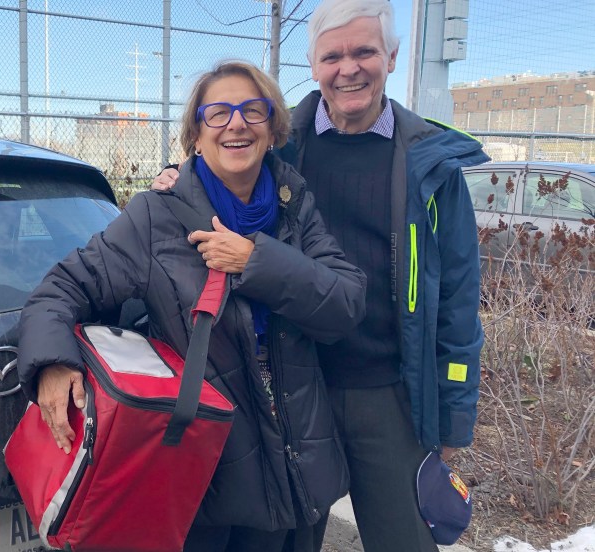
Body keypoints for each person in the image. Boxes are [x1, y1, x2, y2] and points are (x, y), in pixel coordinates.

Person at [153, 1, 489, 550]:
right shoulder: (282, 145)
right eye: (332, 56)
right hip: (290, 383)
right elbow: (214, 167)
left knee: (405, 540)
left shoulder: (428, 164)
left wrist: (454, 416)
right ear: (313, 65)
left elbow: (457, 297)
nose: (348, 68)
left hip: (386, 395)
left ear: (392, 56)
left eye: (364, 51)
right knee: (288, 541)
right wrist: (179, 177)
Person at [18, 61, 366, 552]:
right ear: (196, 137)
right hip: (212, 481)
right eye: (217, 113)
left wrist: (256, 260)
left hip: (303, 474)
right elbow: (60, 288)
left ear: (272, 129)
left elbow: (346, 304)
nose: (237, 123)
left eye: (252, 110)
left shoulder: (295, 207)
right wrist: (52, 362)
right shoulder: (155, 218)